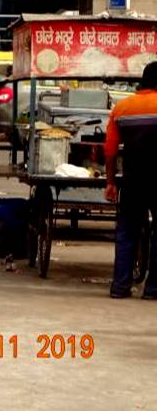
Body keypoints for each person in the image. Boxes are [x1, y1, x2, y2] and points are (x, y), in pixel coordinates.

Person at [104, 61, 157, 300]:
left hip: (132, 180)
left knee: (126, 233)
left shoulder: (122, 108)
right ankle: (153, 289)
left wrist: (110, 183)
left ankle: (120, 287)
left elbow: (110, 150)